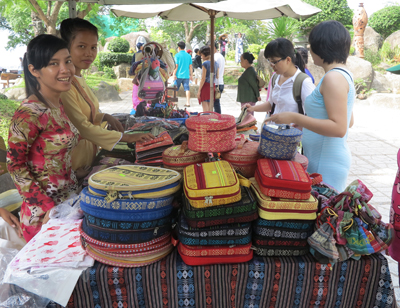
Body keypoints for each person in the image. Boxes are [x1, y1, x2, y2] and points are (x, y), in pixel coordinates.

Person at [266, 21, 355, 192]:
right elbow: (348, 120)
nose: (309, 48)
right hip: (324, 157)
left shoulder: (333, 78)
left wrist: (295, 117)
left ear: (322, 47)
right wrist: (305, 124)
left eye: (311, 44)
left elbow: (339, 128)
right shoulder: (341, 74)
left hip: (326, 162)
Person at [7, 34, 79, 242]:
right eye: (53, 64)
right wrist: (45, 207)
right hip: (45, 218)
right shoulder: (29, 113)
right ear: (34, 70)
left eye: (67, 61)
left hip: (70, 206)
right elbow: (15, 165)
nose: (65, 69)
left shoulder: (57, 105)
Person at [59, 18, 154, 171]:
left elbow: (87, 113)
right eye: (82, 46)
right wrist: (126, 137)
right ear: (66, 47)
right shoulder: (64, 86)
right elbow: (82, 127)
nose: (89, 53)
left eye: (93, 47)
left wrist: (104, 117)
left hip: (87, 158)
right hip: (72, 164)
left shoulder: (79, 78)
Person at [243, 38, 315, 119]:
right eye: (269, 61)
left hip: (293, 131)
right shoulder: (275, 77)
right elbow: (271, 104)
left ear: (288, 60)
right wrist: (253, 108)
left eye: (274, 62)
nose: (271, 65)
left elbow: (313, 114)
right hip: (274, 129)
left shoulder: (304, 82)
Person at [197, 45, 219, 112]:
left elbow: (203, 79)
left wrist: (199, 91)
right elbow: (217, 76)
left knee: (205, 110)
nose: (201, 57)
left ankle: (205, 122)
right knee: (210, 110)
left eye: (201, 55)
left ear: (205, 54)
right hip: (212, 86)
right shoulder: (216, 63)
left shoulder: (205, 63)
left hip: (205, 86)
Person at [173, 41, 193, 107]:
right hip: (186, 76)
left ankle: (175, 102)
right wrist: (191, 75)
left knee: (176, 88)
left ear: (179, 47)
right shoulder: (188, 55)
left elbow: (176, 65)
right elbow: (190, 66)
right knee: (187, 89)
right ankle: (188, 102)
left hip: (178, 75)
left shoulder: (177, 55)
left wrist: (174, 74)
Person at [214, 42, 225, 114]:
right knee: (216, 103)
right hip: (220, 82)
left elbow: (215, 70)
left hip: (215, 83)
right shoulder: (221, 56)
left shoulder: (215, 57)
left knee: (215, 103)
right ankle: (217, 117)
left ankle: (217, 118)